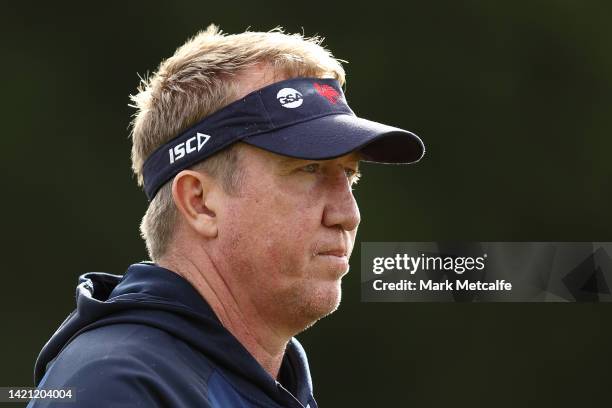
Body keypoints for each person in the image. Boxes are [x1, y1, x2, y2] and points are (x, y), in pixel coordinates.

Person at [29, 25, 424, 407]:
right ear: (199, 202)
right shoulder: (116, 387)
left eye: (350, 175)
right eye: (309, 169)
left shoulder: (268, 380)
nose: (347, 214)